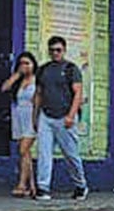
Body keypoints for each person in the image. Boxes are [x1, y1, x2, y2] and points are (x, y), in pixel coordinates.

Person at [34, 36, 89, 201]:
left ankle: (81, 185)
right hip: (46, 116)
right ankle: (43, 188)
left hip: (65, 117)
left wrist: (71, 116)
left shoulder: (71, 69)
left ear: (64, 50)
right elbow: (38, 94)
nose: (55, 53)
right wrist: (35, 117)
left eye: (58, 50)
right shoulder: (43, 70)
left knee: (71, 154)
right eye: (52, 50)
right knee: (44, 153)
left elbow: (78, 93)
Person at [2, 53, 39, 198]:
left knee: (23, 149)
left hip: (31, 117)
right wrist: (17, 74)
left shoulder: (37, 81)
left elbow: (38, 101)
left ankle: (23, 184)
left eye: (28, 63)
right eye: (22, 63)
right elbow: (4, 87)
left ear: (34, 65)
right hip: (19, 116)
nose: (25, 66)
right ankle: (30, 186)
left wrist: (36, 120)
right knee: (25, 153)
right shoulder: (19, 80)